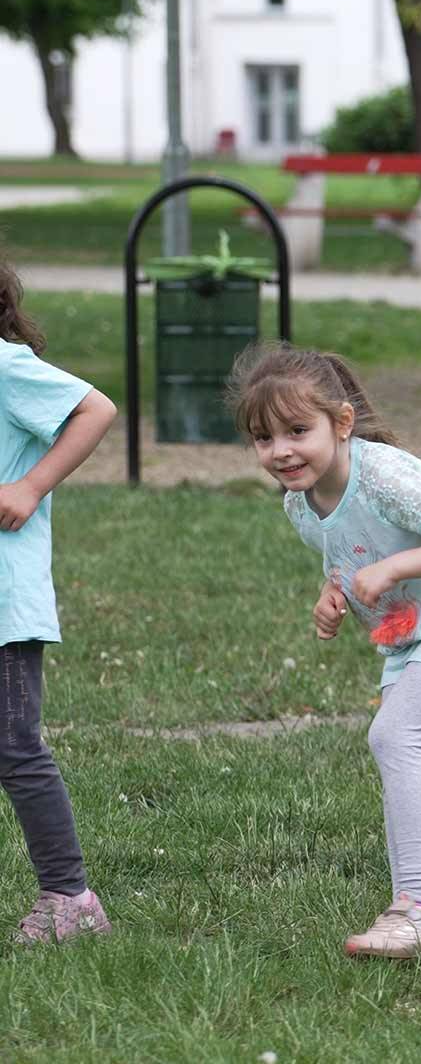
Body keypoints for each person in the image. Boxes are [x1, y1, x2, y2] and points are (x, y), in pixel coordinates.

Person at [228, 344, 421, 958]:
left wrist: (395, 566)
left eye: (298, 431)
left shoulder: (385, 474)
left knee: (397, 738)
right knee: (401, 744)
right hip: (417, 624)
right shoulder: (301, 500)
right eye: (264, 439)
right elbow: (348, 555)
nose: (281, 451)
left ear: (342, 424)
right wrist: (333, 594)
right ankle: (414, 906)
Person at [0, 257, 117, 945]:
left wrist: (31, 485)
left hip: (5, 606)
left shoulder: (6, 367)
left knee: (14, 747)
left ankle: (71, 901)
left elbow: (94, 408)